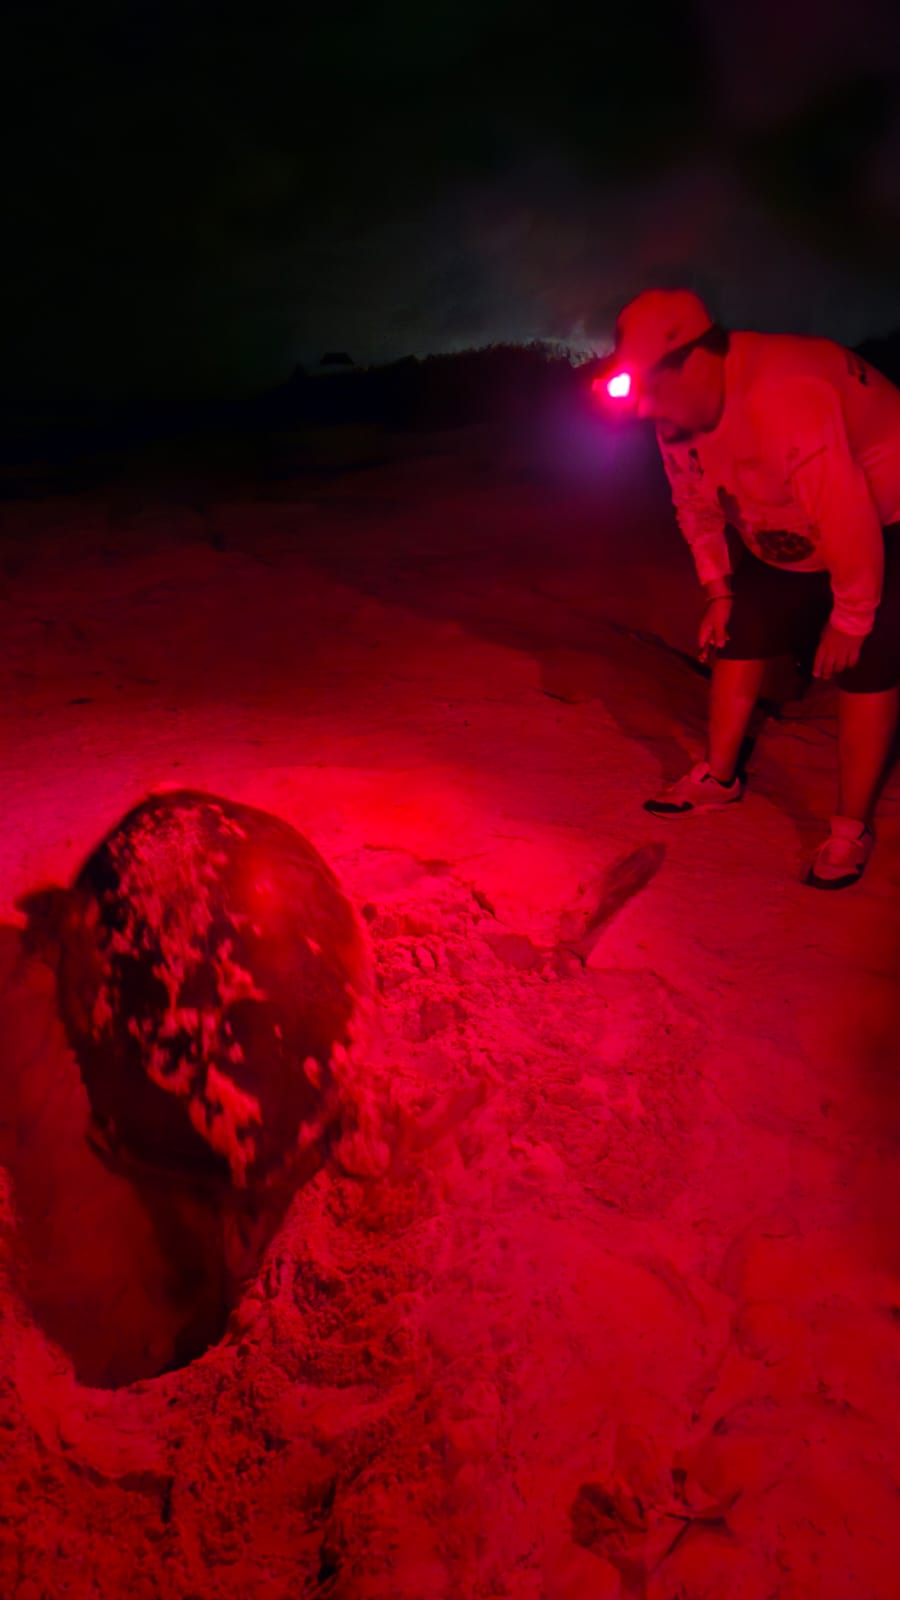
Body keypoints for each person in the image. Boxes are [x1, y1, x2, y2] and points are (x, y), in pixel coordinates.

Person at [600, 287, 900, 890]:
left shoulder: (789, 393)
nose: (649, 413)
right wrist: (719, 591)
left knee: (868, 660)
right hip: (787, 527)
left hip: (885, 519)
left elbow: (847, 512)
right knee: (738, 632)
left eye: (655, 390)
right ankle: (719, 777)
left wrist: (851, 618)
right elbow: (693, 505)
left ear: (698, 360)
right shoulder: (674, 414)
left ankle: (851, 828)